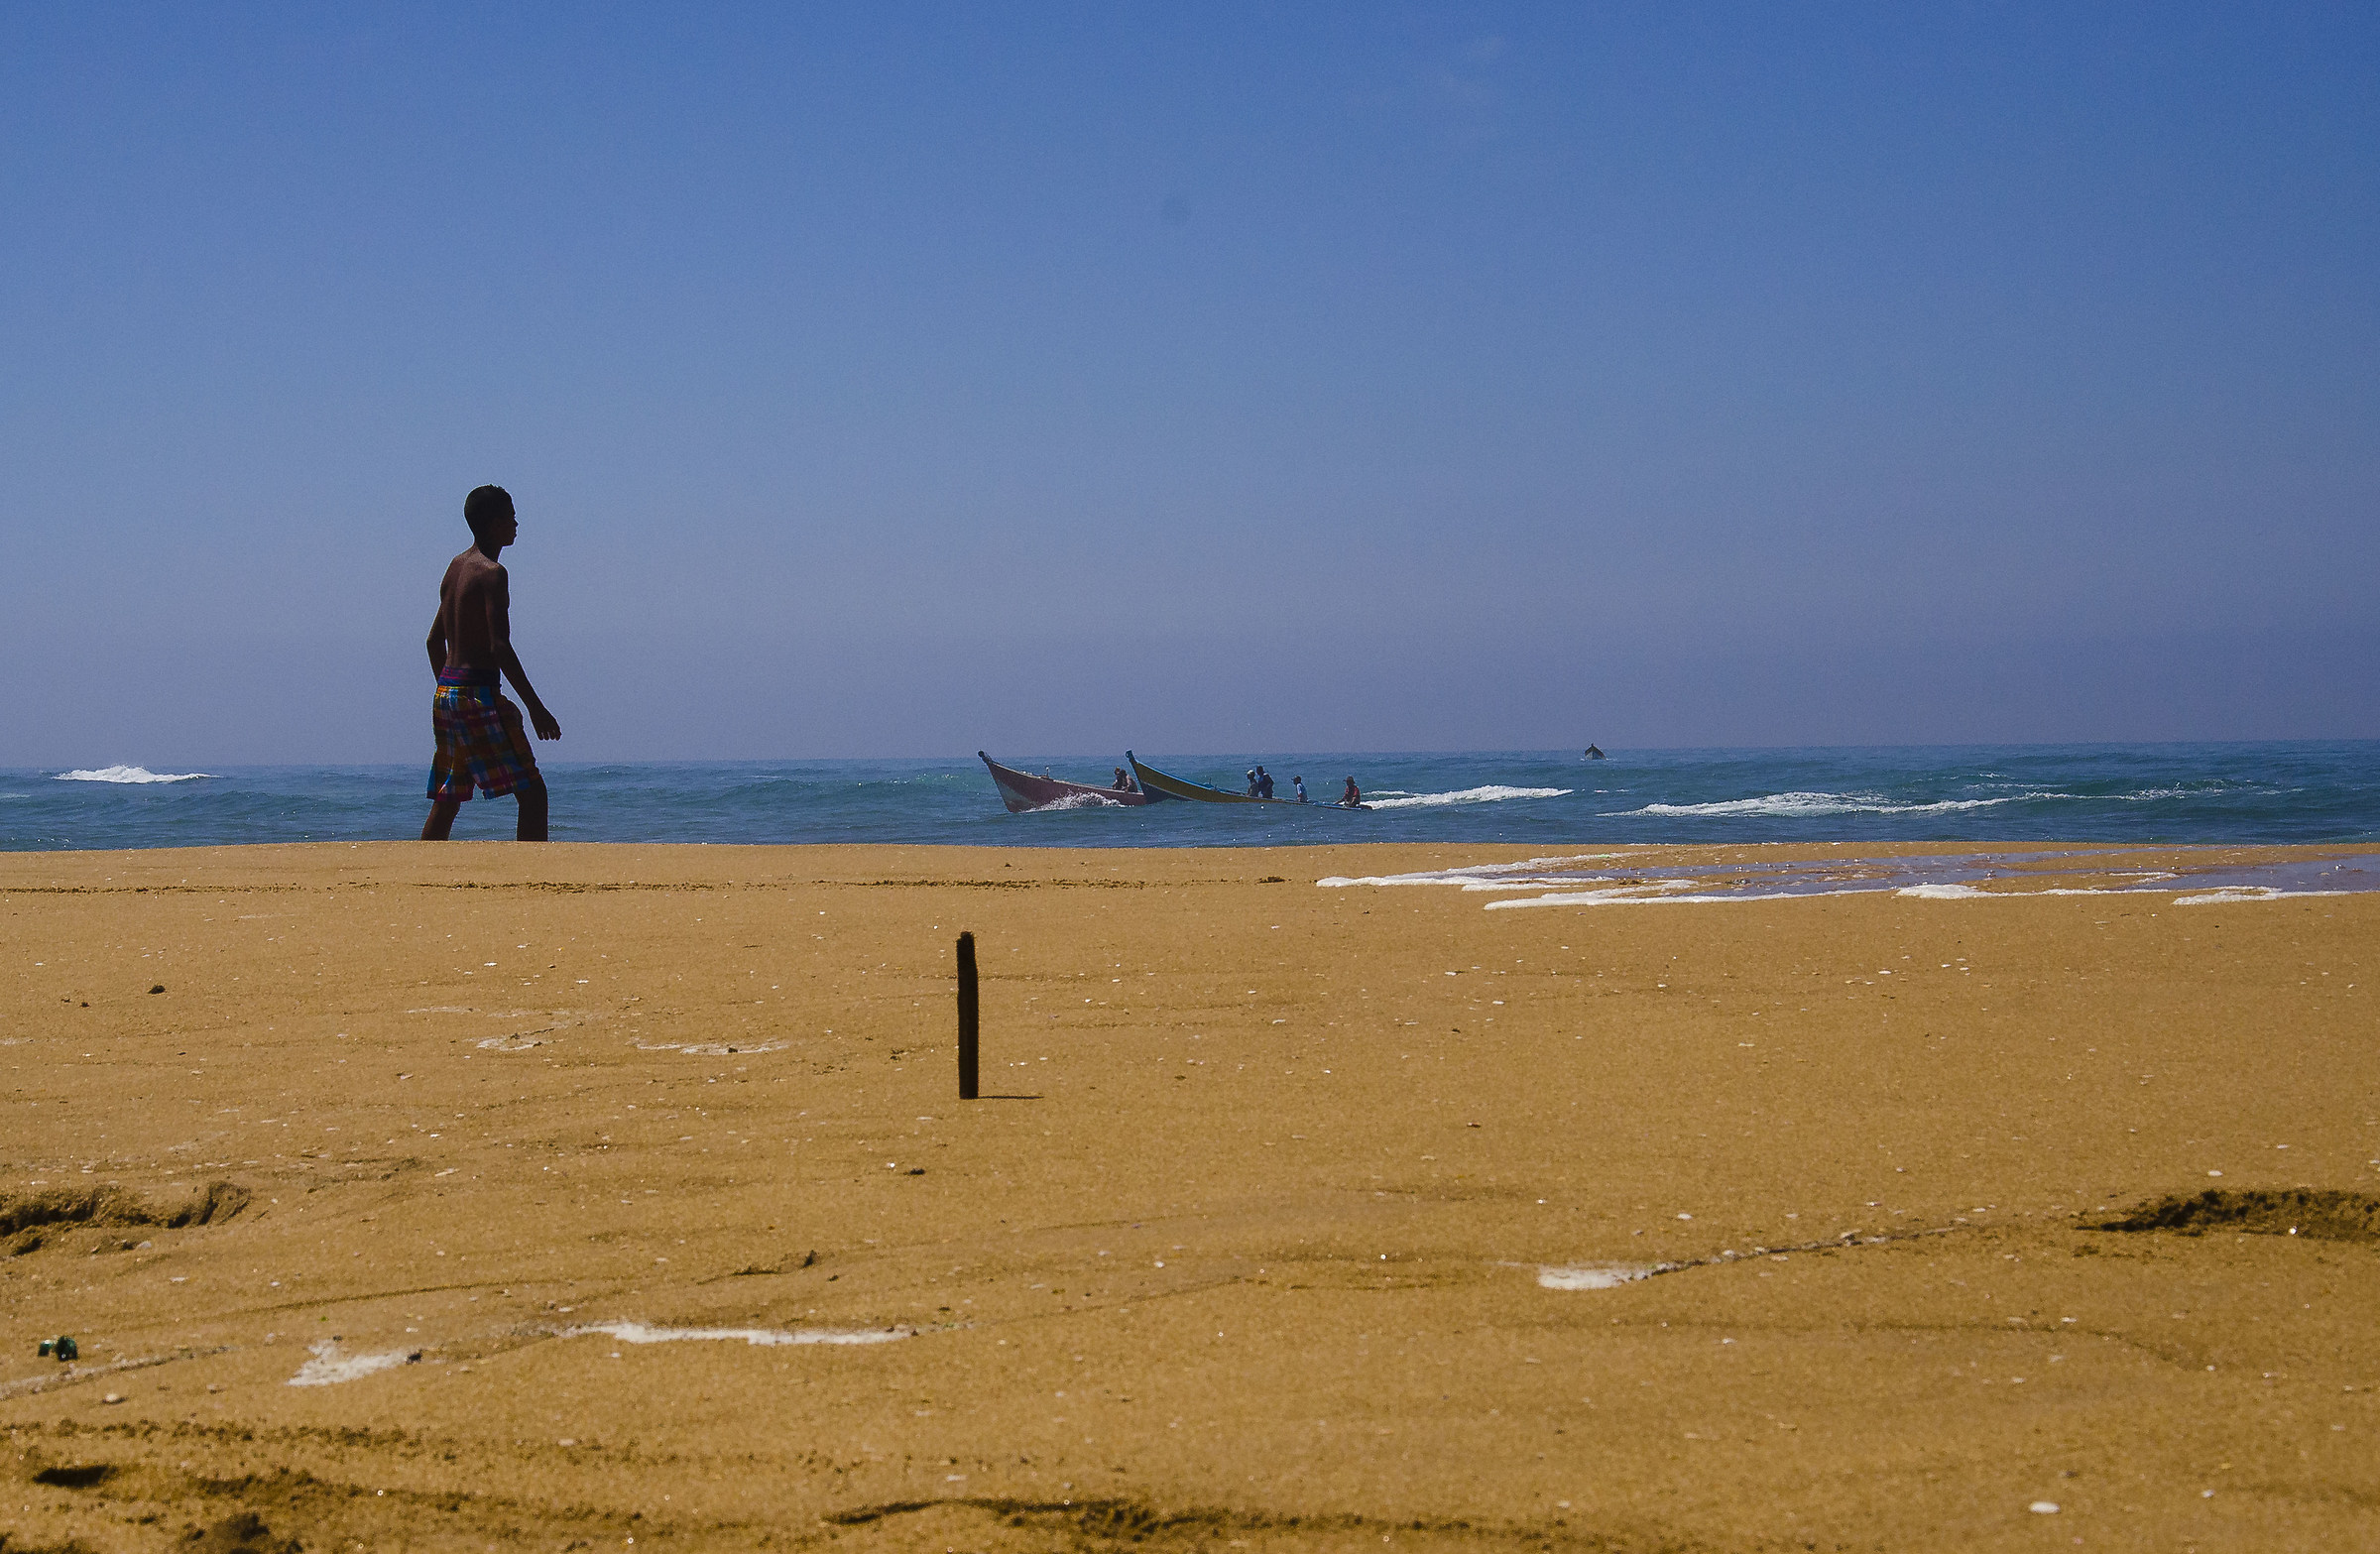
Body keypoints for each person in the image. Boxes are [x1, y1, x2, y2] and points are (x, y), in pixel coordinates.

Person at [420, 485, 561, 841]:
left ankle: (418, 871)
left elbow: (434, 641)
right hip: (475, 693)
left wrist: (449, 690)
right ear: (494, 524)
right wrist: (535, 708)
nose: (516, 523)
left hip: (447, 693)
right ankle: (533, 876)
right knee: (532, 793)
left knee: (449, 794)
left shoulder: (456, 567)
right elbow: (500, 647)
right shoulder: (492, 573)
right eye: (510, 516)